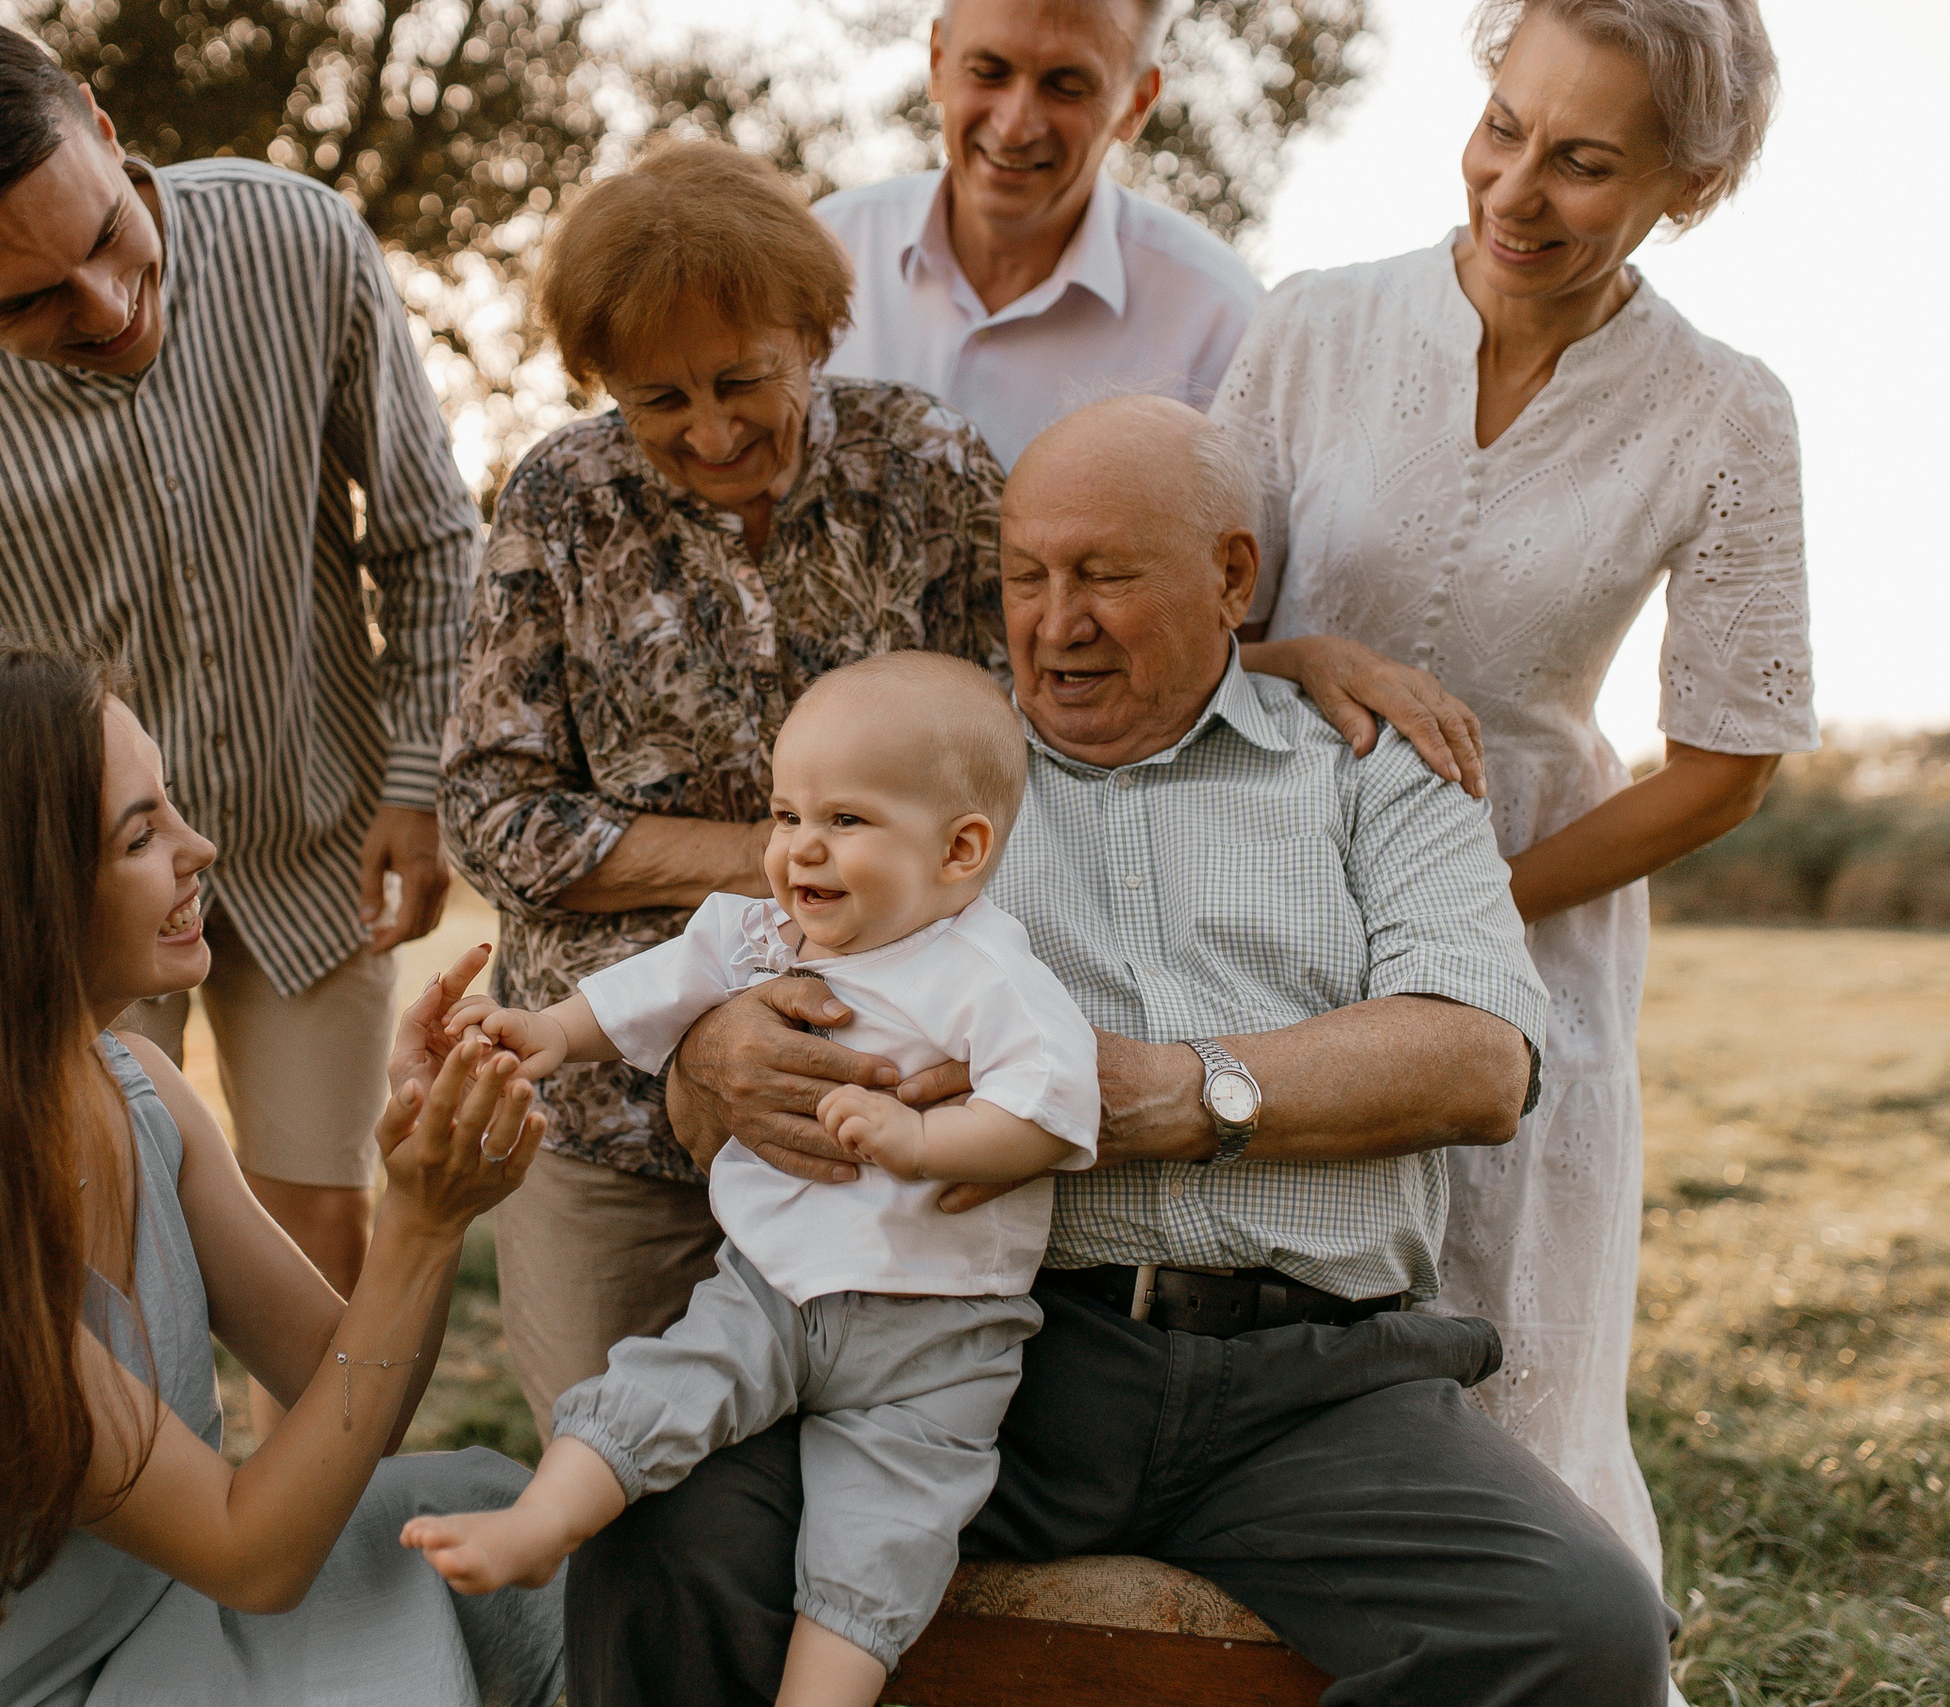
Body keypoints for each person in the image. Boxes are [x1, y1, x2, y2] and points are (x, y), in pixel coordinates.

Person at [565, 397, 1678, 1706]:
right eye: (1025, 575)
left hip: (1311, 1383)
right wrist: (713, 1047)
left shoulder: (1373, 768)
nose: (1056, 618)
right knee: (661, 1532)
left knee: (1585, 1631)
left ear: (1232, 578)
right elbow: (757, 958)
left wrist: (1168, 1092)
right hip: (986, 1350)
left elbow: (1479, 1059)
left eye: (1103, 574)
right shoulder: (939, 787)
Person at [1212, 0, 1814, 1581]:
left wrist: (1474, 905)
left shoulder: (1726, 406)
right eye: (1504, 129)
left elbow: (1727, 767)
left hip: (1535, 915)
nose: (1516, 190)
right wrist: (1301, 658)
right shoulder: (1312, 323)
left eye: (1586, 163)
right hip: (1264, 886)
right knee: (1263, 1351)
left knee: (1510, 1359)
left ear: (1689, 184)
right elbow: (1174, 625)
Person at [0, 640, 562, 1707]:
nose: (200, 847)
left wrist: (417, 1179)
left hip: (138, 1618)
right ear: (7, 894)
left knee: (492, 1509)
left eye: (170, 805)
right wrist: (422, 1229)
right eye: (140, 833)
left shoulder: (136, 1089)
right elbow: (254, 1558)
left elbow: (346, 1386)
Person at [0, 17, 471, 1332]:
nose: (107, 308)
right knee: (87, 1244)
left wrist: (416, 778)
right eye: (27, 300)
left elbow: (425, 530)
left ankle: (321, 1535)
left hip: (313, 834)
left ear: (105, 136)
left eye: (106, 235)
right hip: (67, 893)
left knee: (319, 1233)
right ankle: (159, 1527)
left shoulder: (302, 240)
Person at [436, 138, 1008, 1439]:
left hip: (887, 1126)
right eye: (657, 399)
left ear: (816, 330)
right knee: (625, 1490)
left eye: (742, 378)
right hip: (617, 1137)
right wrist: (777, 854)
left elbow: (1030, 745)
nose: (707, 430)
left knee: (880, 1498)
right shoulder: (564, 498)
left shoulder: (931, 469)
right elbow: (491, 810)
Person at [409, 653, 1097, 1705]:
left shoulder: (990, 973)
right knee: (656, 1386)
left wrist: (923, 1145)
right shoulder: (765, 933)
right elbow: (654, 988)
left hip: (937, 1343)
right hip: (770, 1289)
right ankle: (540, 1528)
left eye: (845, 822)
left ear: (960, 850)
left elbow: (1048, 1111)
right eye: (785, 815)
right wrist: (548, 1028)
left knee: (879, 1543)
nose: (798, 849)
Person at [813, 0, 1262, 469]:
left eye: (1066, 87)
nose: (1015, 127)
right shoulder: (822, 253)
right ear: (938, 61)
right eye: (988, 72)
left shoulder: (1223, 326)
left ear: (1135, 104)